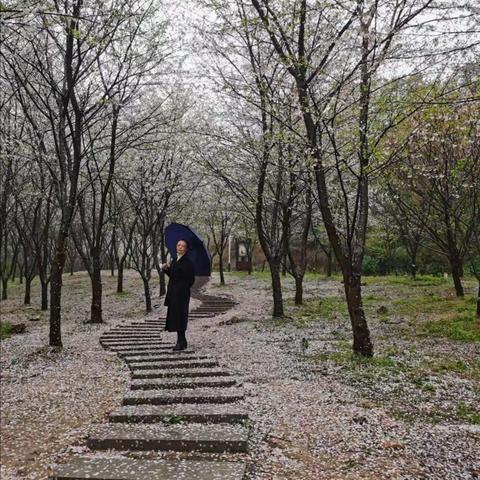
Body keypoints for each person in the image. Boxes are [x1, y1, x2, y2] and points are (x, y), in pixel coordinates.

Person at [160, 239, 195, 350]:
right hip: (173, 292)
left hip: (182, 293)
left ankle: (181, 341)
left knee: (181, 316)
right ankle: (182, 340)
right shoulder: (175, 259)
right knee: (175, 316)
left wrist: (182, 286)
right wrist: (166, 269)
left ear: (186, 249)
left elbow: (191, 280)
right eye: (178, 245)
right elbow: (173, 275)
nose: (180, 247)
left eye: (182, 246)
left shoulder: (188, 262)